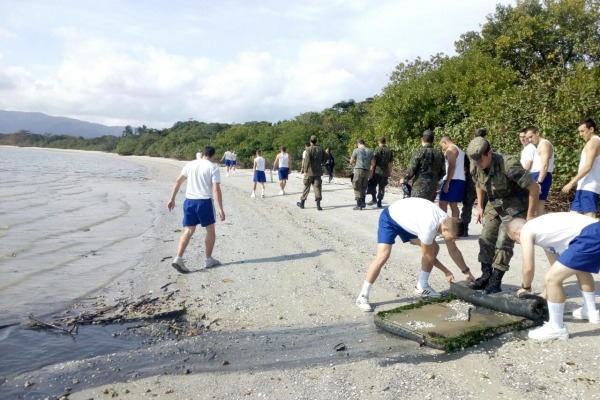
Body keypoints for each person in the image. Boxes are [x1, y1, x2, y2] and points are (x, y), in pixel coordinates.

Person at [355, 197, 475, 312]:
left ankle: (422, 286)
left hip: (409, 220)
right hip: (391, 218)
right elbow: (428, 256)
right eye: (453, 238)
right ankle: (362, 296)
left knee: (434, 247)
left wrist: (466, 271)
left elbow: (453, 251)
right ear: (445, 230)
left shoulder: (448, 222)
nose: (453, 240)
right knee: (383, 256)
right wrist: (446, 272)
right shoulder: (429, 227)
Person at [507, 213, 600, 340]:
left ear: (516, 233)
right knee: (579, 269)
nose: (518, 243)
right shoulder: (544, 233)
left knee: (551, 279)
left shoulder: (526, 231)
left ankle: (556, 328)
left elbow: (528, 268)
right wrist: (545, 293)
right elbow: (556, 266)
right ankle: (590, 311)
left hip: (590, 234)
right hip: (594, 229)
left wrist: (526, 287)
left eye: (515, 241)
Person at [466, 136, 539, 294]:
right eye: (475, 162)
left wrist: (530, 215)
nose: (478, 165)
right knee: (486, 237)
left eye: (480, 160)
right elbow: (479, 184)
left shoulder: (509, 164)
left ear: (489, 153)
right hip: (494, 203)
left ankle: (496, 280)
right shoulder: (475, 165)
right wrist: (479, 206)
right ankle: (486, 275)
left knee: (503, 242)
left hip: (515, 206)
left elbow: (534, 188)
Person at [168, 146, 225, 273]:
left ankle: (179, 258)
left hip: (189, 202)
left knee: (188, 230)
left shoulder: (190, 164)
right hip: (204, 202)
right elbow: (216, 189)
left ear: (202, 154)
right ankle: (208, 259)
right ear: (213, 155)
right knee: (210, 231)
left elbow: (178, 182)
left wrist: (172, 199)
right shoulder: (213, 167)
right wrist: (220, 208)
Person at [562, 117, 600, 217]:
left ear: (591, 129)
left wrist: (571, 183)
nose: (581, 134)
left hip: (589, 186)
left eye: (583, 131)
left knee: (590, 219)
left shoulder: (593, 142)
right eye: (579, 132)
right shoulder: (593, 142)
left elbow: (588, 166)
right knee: (573, 218)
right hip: (583, 186)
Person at [399, 130, 445, 202]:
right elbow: (444, 171)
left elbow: (411, 169)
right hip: (432, 187)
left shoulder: (419, 152)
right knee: (428, 208)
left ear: (422, 139)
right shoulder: (439, 154)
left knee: (417, 208)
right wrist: (435, 179)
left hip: (419, 187)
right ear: (433, 141)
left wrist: (405, 179)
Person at [461, 128, 487, 236]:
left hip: (471, 179)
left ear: (474, 135)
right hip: (484, 178)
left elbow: (465, 165)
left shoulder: (469, 147)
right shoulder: (487, 146)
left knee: (467, 204)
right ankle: (487, 228)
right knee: (486, 204)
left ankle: (464, 229)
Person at [526, 126, 555, 216]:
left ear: (537, 133)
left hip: (541, 176)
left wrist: (539, 182)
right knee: (534, 204)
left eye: (531, 136)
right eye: (528, 138)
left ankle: (540, 228)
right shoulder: (540, 145)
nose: (530, 140)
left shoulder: (545, 144)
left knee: (538, 205)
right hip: (536, 175)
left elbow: (544, 165)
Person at [439, 136, 466, 218]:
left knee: (442, 203)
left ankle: (444, 224)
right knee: (453, 205)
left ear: (445, 142)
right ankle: (455, 227)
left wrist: (447, 182)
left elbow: (452, 166)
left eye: (442, 145)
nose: (442, 148)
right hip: (460, 179)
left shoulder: (450, 150)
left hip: (453, 179)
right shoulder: (459, 150)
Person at [297, 135, 325, 210]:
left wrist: (305, 170)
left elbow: (307, 160)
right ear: (316, 141)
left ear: (310, 141)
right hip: (318, 172)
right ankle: (318, 205)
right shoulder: (320, 149)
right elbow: (325, 157)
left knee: (306, 187)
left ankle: (302, 203)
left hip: (310, 172)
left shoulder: (308, 149)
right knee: (317, 188)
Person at [367, 137, 394, 208]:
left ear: (378, 142)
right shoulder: (389, 150)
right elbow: (390, 163)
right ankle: (379, 202)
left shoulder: (376, 150)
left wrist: (371, 172)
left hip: (376, 171)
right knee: (382, 187)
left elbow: (373, 162)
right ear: (385, 142)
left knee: (372, 185)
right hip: (384, 172)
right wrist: (389, 172)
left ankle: (374, 198)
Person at [350, 139, 374, 210]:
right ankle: (363, 202)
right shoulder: (370, 151)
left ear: (358, 143)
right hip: (366, 170)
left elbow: (351, 161)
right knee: (364, 187)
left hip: (358, 170)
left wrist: (354, 161)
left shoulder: (356, 150)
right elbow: (373, 163)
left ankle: (358, 204)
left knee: (356, 186)